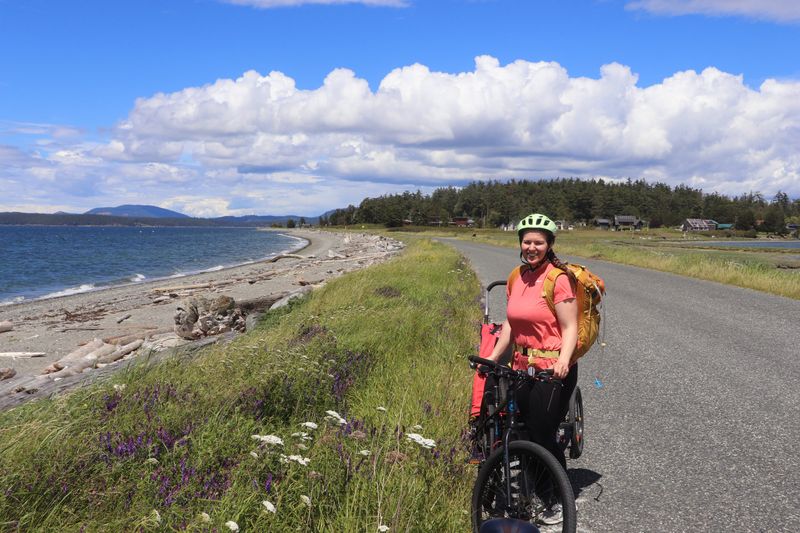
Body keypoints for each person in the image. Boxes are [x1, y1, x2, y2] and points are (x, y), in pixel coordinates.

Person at [485, 213, 579, 472]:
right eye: (527, 242)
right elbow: (511, 323)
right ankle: (529, 491)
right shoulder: (517, 276)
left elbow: (571, 327)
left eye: (538, 243)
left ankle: (556, 497)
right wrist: (493, 357)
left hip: (552, 367)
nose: (531, 248)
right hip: (521, 365)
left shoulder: (558, 279)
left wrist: (563, 361)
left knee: (542, 433)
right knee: (521, 429)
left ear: (549, 244)